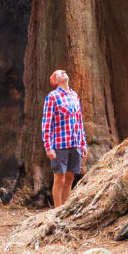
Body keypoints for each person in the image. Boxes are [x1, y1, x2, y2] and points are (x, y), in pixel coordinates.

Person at [40, 69, 88, 208]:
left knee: (70, 178)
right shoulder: (52, 97)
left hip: (75, 143)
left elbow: (79, 121)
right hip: (59, 144)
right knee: (59, 178)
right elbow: (46, 123)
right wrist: (48, 147)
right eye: (58, 72)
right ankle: (57, 211)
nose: (63, 71)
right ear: (54, 81)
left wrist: (83, 143)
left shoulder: (74, 95)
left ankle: (65, 209)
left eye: (63, 71)